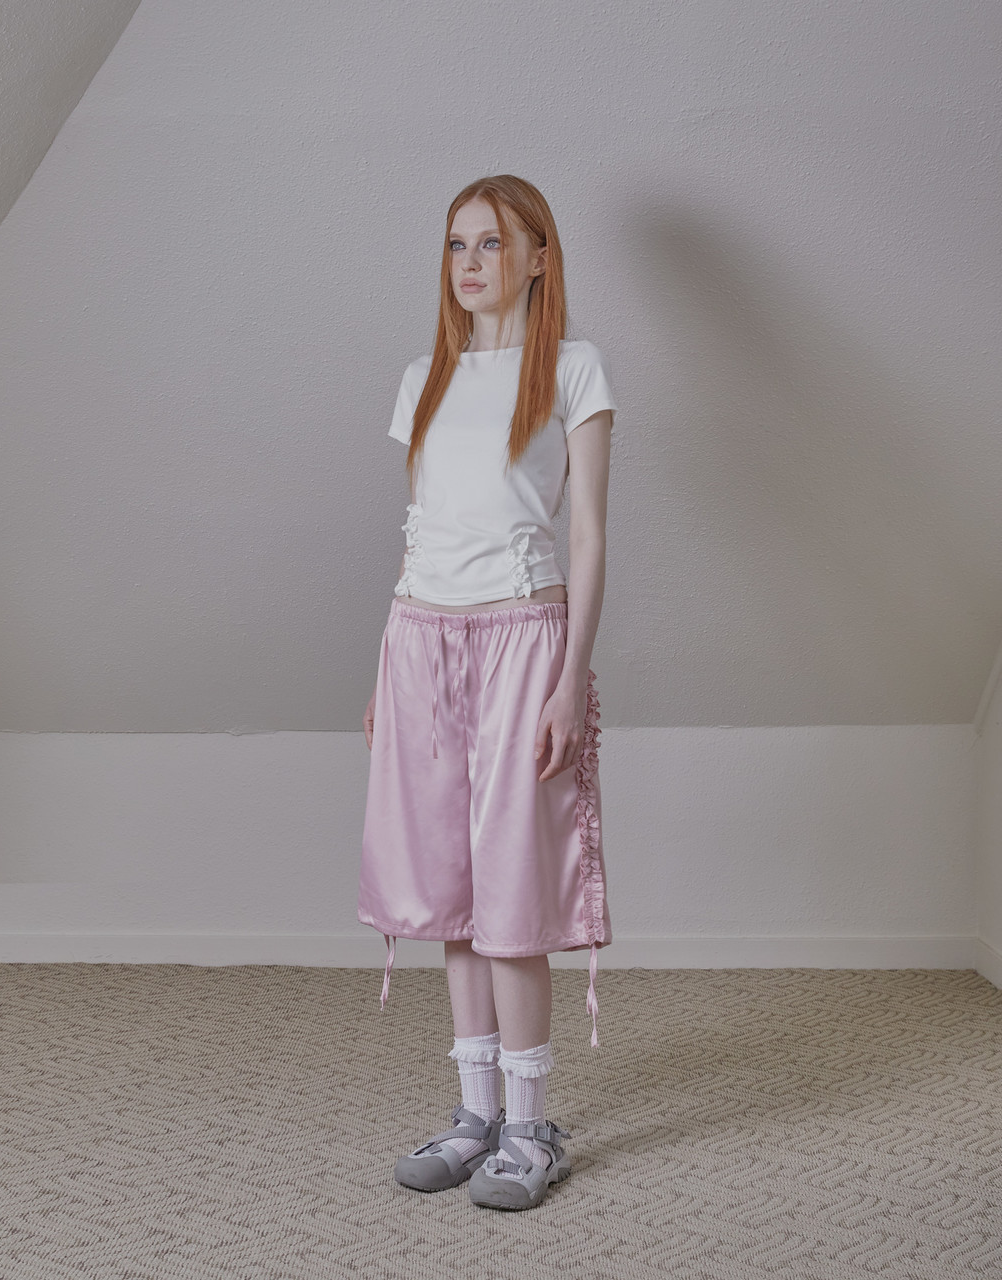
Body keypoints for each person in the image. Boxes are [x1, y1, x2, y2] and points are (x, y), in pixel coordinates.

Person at [358, 174, 617, 1211]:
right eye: (457, 245)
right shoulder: (422, 375)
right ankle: (474, 1115)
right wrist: (385, 668)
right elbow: (419, 532)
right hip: (421, 642)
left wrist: (569, 677)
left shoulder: (573, 369)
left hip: (521, 641)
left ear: (538, 257)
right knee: (451, 894)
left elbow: (587, 535)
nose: (470, 263)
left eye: (493, 243)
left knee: (512, 894)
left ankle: (529, 1126)